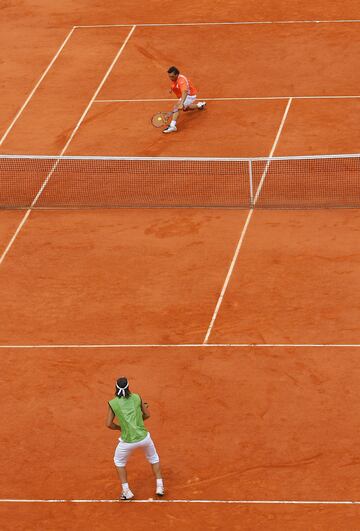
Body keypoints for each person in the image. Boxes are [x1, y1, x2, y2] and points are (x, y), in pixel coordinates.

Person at [106, 377, 164, 500]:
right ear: (128, 387)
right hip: (144, 438)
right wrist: (138, 422)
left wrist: (120, 428)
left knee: (119, 462)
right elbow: (147, 414)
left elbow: (109, 424)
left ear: (116, 388)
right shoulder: (137, 397)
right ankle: (160, 486)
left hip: (127, 442)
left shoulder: (113, 403)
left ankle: (126, 491)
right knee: (154, 458)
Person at [163, 66, 206, 133]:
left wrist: (181, 103)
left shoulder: (182, 80)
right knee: (186, 108)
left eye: (172, 76)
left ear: (177, 75)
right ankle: (200, 105)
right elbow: (175, 84)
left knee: (176, 107)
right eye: (169, 76)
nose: (170, 78)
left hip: (189, 95)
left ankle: (172, 126)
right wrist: (172, 89)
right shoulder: (175, 78)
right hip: (184, 95)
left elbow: (185, 92)